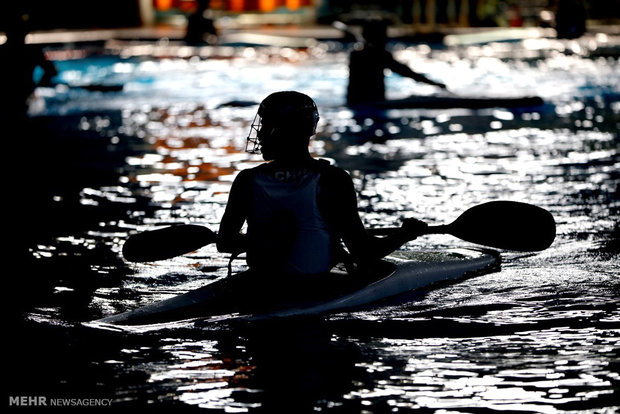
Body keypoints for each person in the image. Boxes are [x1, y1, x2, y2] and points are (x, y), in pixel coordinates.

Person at [217, 91, 427, 287]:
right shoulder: (333, 179)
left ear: (285, 130)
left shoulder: (247, 179)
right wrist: (405, 234)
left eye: (266, 125)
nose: (260, 134)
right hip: (315, 288)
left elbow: (225, 242)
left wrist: (265, 239)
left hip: (262, 286)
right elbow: (364, 253)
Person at [346, 19, 446, 106]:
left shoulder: (355, 54)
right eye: (383, 35)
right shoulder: (379, 55)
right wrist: (435, 84)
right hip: (374, 103)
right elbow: (406, 72)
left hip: (354, 103)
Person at [0, 10, 57, 122]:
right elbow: (52, 71)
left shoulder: (2, 51)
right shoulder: (32, 51)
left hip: (6, 97)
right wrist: (39, 85)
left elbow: (52, 71)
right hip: (26, 94)